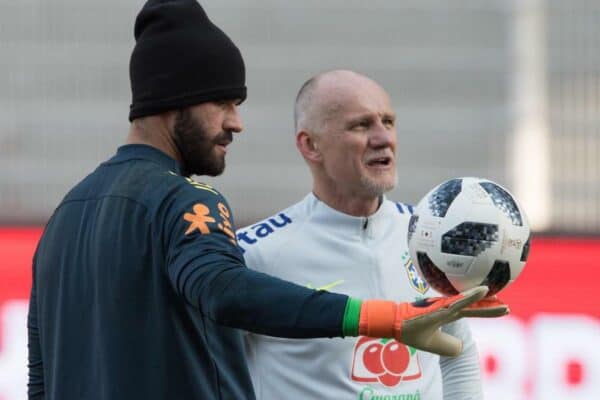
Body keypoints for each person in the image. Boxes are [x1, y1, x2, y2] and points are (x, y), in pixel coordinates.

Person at [27, 2, 506, 400]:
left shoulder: (64, 218)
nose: (236, 123)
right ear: (175, 101)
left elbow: (40, 380)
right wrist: (387, 319)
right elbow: (225, 290)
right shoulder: (187, 201)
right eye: (224, 103)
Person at [238, 70, 491, 399]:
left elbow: (457, 355)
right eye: (362, 125)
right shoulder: (255, 254)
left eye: (388, 122)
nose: (383, 138)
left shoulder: (430, 237)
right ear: (310, 145)